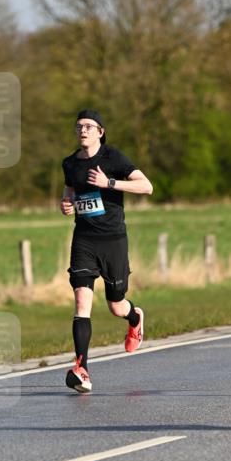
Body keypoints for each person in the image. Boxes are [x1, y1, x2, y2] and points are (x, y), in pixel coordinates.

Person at [61, 109, 153, 393]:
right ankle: (82, 369)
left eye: (89, 126)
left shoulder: (113, 158)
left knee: (115, 305)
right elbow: (69, 192)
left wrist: (109, 183)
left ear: (100, 132)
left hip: (113, 241)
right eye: (79, 126)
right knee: (81, 302)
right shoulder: (69, 163)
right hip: (84, 240)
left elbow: (146, 186)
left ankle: (134, 318)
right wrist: (66, 203)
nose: (83, 130)